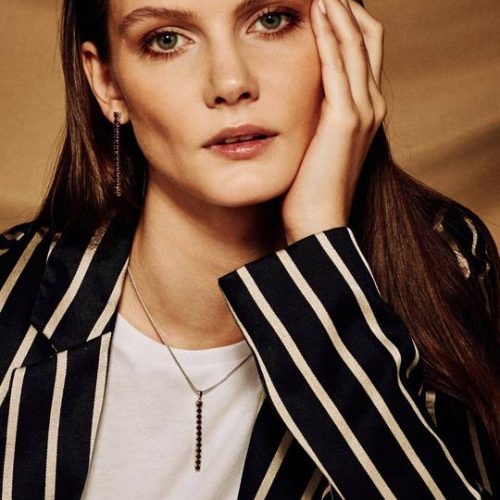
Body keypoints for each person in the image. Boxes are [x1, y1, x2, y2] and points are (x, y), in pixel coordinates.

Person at [0, 0, 498, 498]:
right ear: (108, 83)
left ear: (346, 38)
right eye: (167, 40)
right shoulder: (9, 294)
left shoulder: (445, 265)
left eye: (271, 20)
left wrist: (318, 249)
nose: (231, 82)